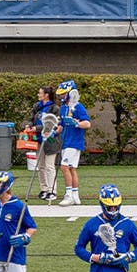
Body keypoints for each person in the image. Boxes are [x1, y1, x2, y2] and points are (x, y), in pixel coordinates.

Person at [56, 78, 91, 206]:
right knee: (71, 169)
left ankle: (69, 195)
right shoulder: (63, 108)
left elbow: (87, 123)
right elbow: (61, 125)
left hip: (74, 142)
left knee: (64, 167)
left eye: (64, 94)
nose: (62, 96)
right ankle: (76, 195)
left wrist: (76, 123)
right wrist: (52, 132)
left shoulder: (78, 107)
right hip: (65, 142)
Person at [32, 84, 61, 204]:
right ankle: (43, 189)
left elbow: (52, 125)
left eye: (40, 93)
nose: (38, 95)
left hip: (50, 141)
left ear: (46, 95)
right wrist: (29, 125)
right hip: (38, 140)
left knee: (49, 166)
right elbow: (31, 118)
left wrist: (37, 128)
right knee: (41, 166)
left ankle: (52, 190)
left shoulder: (54, 108)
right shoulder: (36, 106)